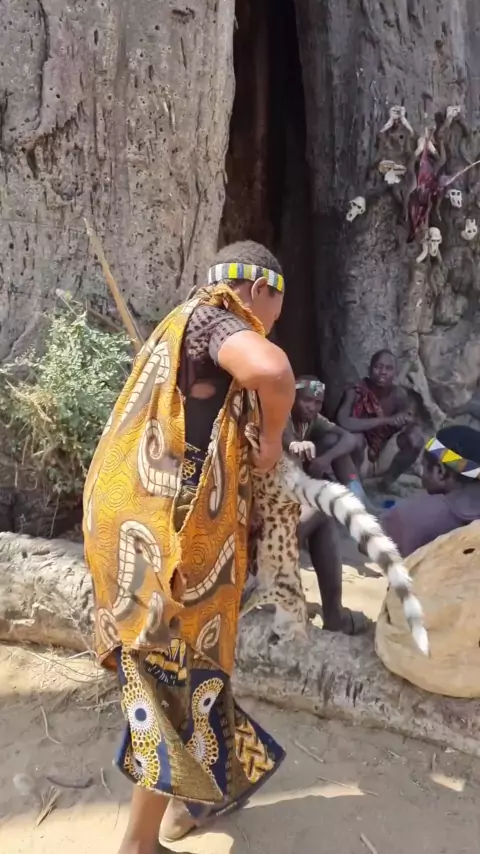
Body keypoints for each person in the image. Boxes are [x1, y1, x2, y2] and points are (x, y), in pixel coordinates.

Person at [83, 240, 296, 854]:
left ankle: (192, 801)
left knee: (186, 669)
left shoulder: (186, 324)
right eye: (273, 310)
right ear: (260, 290)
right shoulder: (216, 321)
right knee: (168, 681)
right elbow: (273, 372)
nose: (269, 324)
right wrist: (272, 440)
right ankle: (140, 843)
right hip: (163, 535)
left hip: (137, 521)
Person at [282, 376, 371, 635]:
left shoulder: (311, 420)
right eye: (307, 400)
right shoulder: (281, 415)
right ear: (293, 398)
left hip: (292, 496)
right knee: (328, 504)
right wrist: (296, 445)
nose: (312, 407)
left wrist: (325, 459)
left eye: (318, 402)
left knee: (326, 513)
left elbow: (350, 439)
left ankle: (334, 615)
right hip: (270, 507)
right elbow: (286, 438)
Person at [380, 425, 480, 558]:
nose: (422, 475)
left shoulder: (410, 516)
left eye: (424, 466)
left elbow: (367, 542)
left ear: (439, 472)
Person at [337, 349, 424, 490]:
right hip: (360, 458)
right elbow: (343, 421)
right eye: (378, 367)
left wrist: (406, 421)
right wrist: (386, 420)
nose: (382, 372)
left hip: (384, 456)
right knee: (355, 437)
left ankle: (387, 482)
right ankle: (357, 484)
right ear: (369, 369)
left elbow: (410, 422)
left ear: (395, 373)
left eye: (388, 368)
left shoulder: (399, 395)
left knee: (416, 437)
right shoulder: (355, 390)